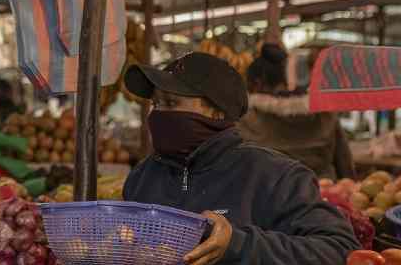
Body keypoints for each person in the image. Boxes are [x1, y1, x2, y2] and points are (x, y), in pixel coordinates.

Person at [122, 52, 360, 265]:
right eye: (156, 103)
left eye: (171, 103)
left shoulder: (276, 176)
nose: (158, 113)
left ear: (216, 112)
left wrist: (237, 244)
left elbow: (339, 248)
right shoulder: (143, 177)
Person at [237, 44, 355, 179]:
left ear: (257, 84)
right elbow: (346, 169)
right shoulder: (325, 115)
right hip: (319, 194)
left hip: (267, 196)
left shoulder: (245, 120)